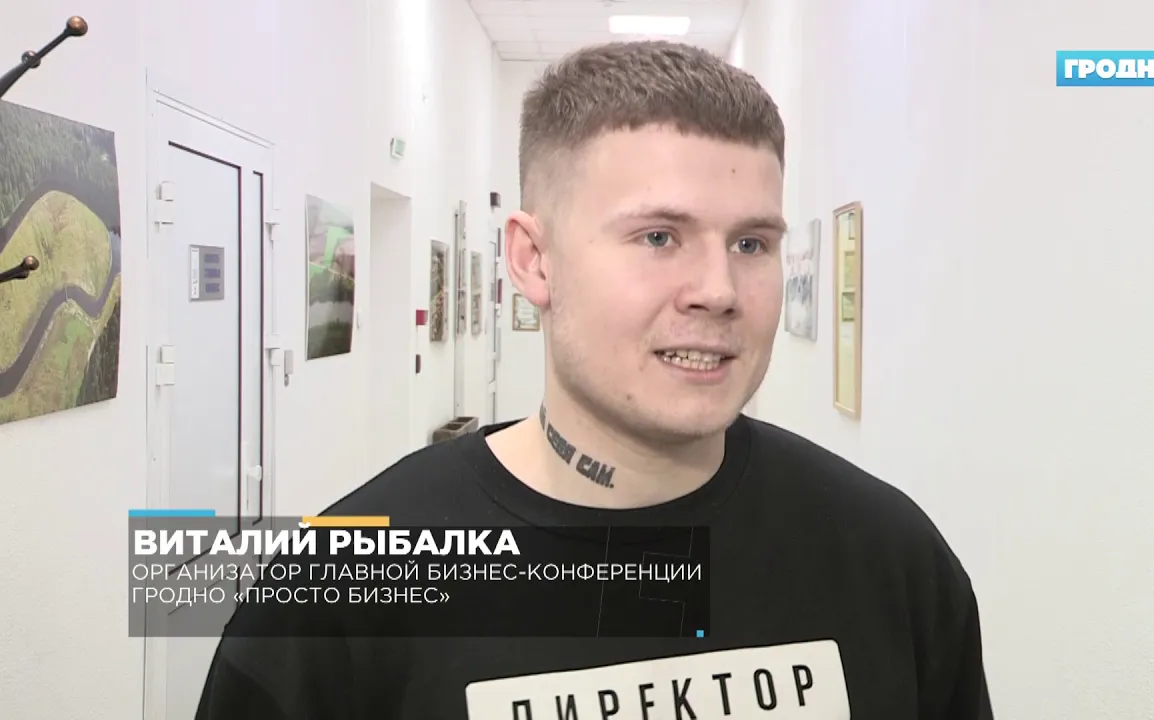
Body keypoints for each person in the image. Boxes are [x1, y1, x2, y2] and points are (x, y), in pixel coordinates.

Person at [195, 40, 992, 719]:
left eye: (751, 244)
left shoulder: (891, 561)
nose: (718, 291)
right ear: (533, 260)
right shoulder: (343, 589)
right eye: (659, 237)